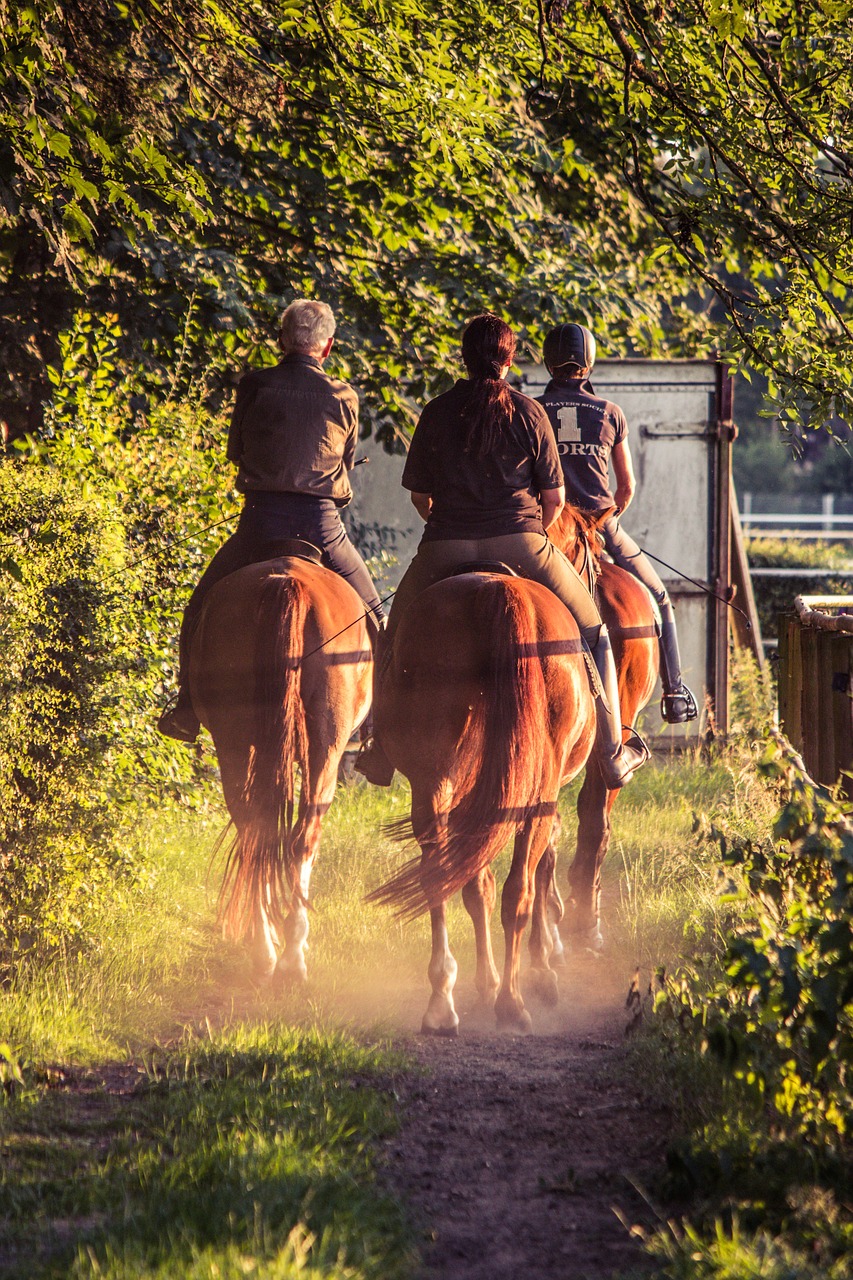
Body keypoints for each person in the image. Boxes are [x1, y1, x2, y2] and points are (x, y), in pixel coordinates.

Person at [355, 313, 649, 789]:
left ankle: (377, 747)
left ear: (464, 358)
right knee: (594, 630)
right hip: (523, 544)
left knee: (390, 632)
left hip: (446, 545)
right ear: (509, 360)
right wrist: (529, 532)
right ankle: (613, 750)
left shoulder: (436, 411)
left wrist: (450, 526)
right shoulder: (530, 412)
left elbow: (420, 498)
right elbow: (554, 501)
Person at [157, 298, 385, 743]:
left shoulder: (255, 385)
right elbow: (346, 461)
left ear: (282, 340)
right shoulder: (344, 395)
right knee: (377, 616)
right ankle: (379, 726)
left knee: (199, 607)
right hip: (321, 526)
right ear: (328, 346)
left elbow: (237, 452)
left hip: (259, 522)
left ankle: (186, 706)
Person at [537, 322, 698, 725]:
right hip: (601, 528)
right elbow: (627, 486)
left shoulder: (532, 409)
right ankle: (675, 692)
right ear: (589, 362)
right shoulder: (610, 412)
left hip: (546, 530)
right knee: (659, 596)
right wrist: (608, 522)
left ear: (548, 362)